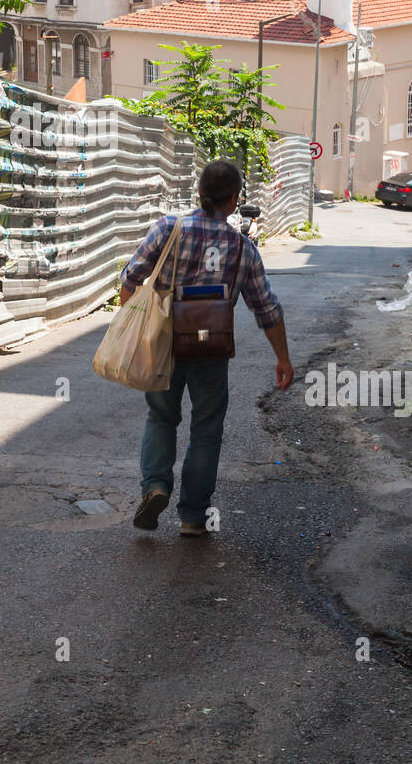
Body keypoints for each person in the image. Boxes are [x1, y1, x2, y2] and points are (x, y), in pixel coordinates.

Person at [120, 159, 293, 538]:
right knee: (207, 428)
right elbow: (266, 307)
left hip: (163, 342)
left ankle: (155, 486)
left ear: (199, 193)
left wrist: (132, 328)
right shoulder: (242, 247)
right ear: (233, 201)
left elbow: (130, 278)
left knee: (161, 417)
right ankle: (193, 516)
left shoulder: (169, 228)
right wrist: (282, 357)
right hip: (210, 348)